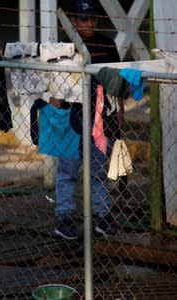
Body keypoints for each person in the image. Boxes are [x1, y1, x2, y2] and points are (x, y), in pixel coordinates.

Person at [52, 0, 124, 240]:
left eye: (93, 18)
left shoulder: (106, 44)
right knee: (67, 171)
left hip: (100, 120)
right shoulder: (64, 46)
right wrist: (55, 117)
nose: (89, 23)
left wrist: (119, 113)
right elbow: (55, 85)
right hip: (70, 119)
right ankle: (64, 218)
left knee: (99, 172)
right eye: (84, 19)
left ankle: (102, 217)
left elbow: (117, 83)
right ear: (73, 21)